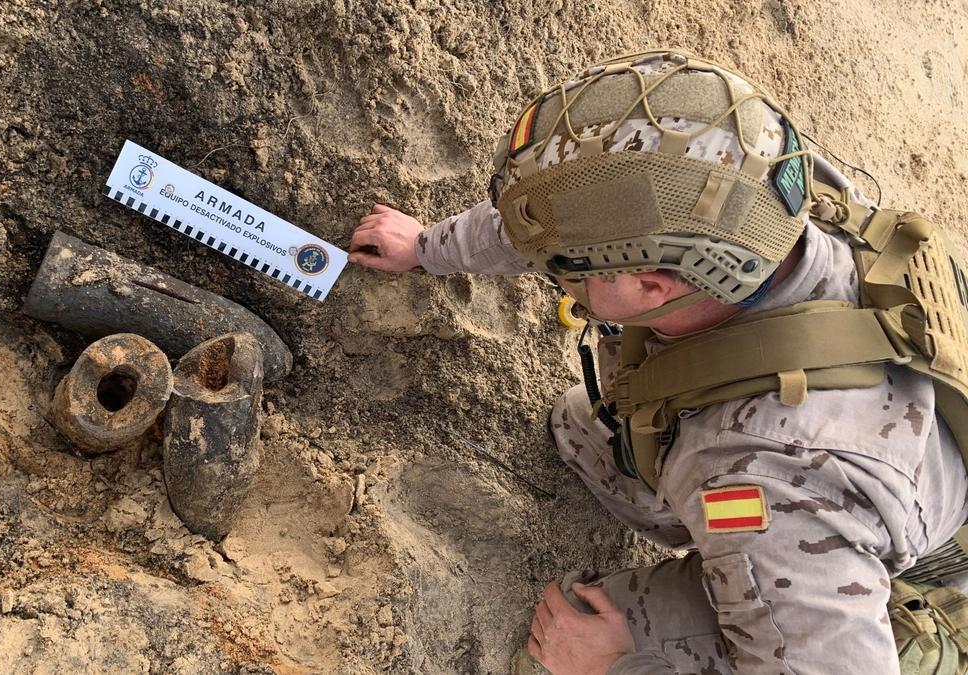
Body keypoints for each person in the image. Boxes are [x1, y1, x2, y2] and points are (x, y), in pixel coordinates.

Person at [348, 51, 968, 674]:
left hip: (884, 556)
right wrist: (427, 248)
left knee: (576, 625)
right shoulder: (765, 189)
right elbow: (576, 211)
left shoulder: (763, 473)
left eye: (569, 271)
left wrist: (615, 665)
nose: (557, 274)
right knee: (581, 426)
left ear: (651, 287)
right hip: (894, 460)